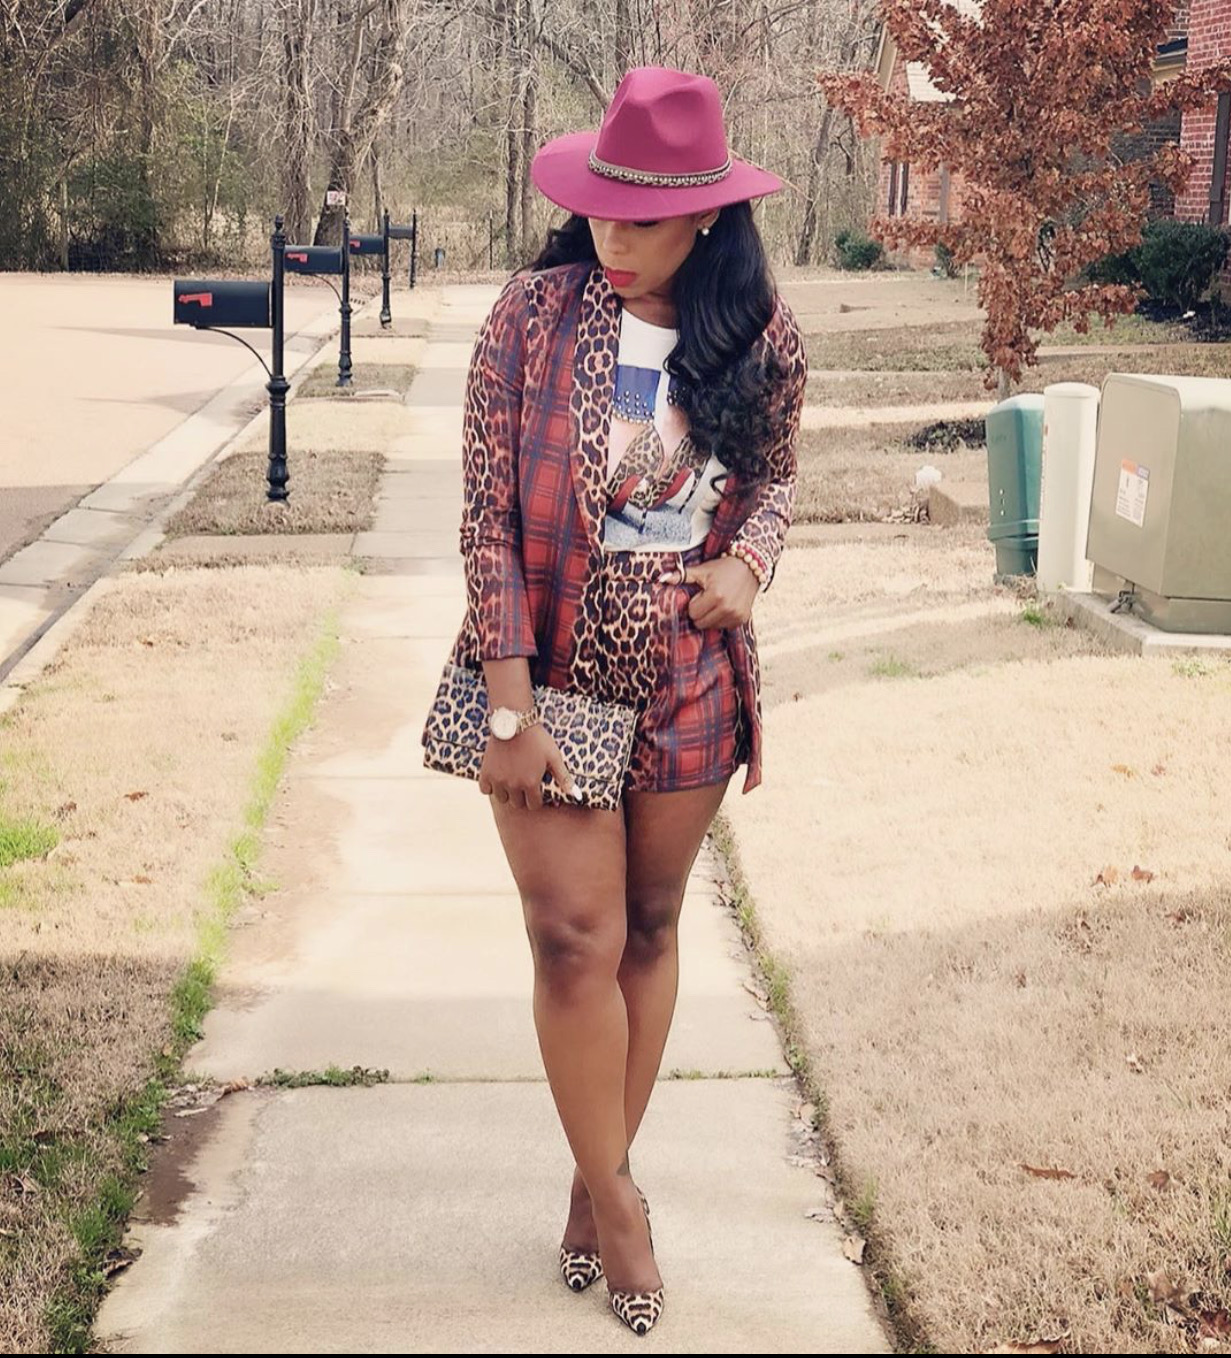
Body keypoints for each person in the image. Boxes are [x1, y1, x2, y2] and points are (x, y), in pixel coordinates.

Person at [429, 65, 807, 1335]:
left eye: (642, 217)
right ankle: (626, 1203)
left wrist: (749, 566)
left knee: (648, 925)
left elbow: (775, 482)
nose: (612, 235)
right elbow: (484, 517)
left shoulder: (760, 337)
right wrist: (507, 705)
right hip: (549, 664)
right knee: (573, 938)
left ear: (706, 214)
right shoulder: (531, 317)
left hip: (687, 672)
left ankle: (593, 1181)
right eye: (602, 207)